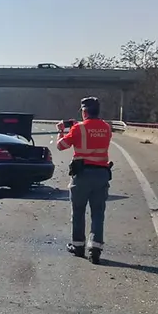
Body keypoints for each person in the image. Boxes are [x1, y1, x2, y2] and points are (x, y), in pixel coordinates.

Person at [55, 97, 113, 264]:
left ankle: (78, 246)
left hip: (82, 174)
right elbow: (95, 135)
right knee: (98, 213)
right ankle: (95, 248)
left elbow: (61, 145)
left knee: (78, 211)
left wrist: (61, 130)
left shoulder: (78, 128)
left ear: (84, 111)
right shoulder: (107, 128)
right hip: (102, 174)